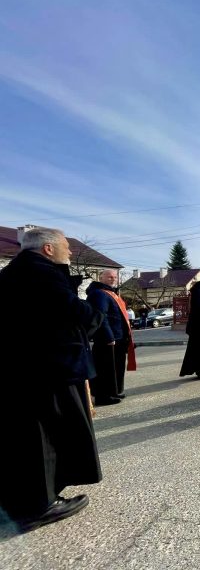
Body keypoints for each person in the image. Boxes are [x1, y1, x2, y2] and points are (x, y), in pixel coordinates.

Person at [0, 227, 104, 534]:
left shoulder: (13, 272)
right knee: (44, 434)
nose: (69, 252)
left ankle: (23, 499)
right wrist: (90, 305)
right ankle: (40, 505)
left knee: (25, 434)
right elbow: (79, 315)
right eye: (65, 246)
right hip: (48, 368)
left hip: (21, 367)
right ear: (47, 249)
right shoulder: (42, 274)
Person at [86, 269, 136, 405]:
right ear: (101, 278)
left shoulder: (111, 293)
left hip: (119, 337)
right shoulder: (99, 293)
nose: (113, 279)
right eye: (109, 277)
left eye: (115, 277)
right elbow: (101, 316)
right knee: (105, 369)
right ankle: (103, 396)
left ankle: (115, 391)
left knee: (116, 367)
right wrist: (108, 336)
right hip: (109, 338)